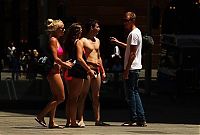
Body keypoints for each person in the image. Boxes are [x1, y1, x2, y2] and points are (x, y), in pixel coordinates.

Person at [35, 19, 74, 128]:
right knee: (61, 97)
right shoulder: (53, 40)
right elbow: (55, 58)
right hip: (53, 72)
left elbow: (58, 58)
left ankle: (51, 122)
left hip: (56, 70)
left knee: (55, 96)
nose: (64, 30)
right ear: (56, 29)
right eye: (61, 28)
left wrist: (64, 64)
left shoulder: (56, 40)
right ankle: (41, 115)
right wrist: (66, 65)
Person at [110, 11, 147, 127]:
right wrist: (117, 42)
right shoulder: (135, 33)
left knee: (131, 94)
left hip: (132, 68)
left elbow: (132, 53)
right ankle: (140, 118)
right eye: (123, 20)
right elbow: (130, 47)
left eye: (126, 20)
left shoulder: (134, 34)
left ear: (132, 20)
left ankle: (134, 119)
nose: (124, 23)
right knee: (134, 92)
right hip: (134, 68)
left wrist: (126, 69)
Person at [76, 19, 109, 126]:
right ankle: (80, 119)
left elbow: (99, 57)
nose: (99, 29)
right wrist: (88, 70)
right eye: (97, 27)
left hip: (97, 69)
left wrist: (103, 71)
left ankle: (98, 119)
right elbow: (79, 58)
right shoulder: (82, 41)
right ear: (91, 28)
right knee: (83, 95)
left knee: (97, 96)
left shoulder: (98, 41)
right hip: (87, 69)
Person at [63, 23, 87, 128]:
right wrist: (89, 70)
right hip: (78, 70)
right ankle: (73, 122)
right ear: (78, 32)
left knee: (70, 97)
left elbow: (64, 56)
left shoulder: (67, 42)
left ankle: (68, 120)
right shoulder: (79, 42)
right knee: (74, 98)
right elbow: (80, 58)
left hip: (68, 69)